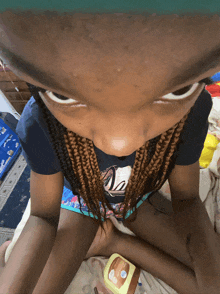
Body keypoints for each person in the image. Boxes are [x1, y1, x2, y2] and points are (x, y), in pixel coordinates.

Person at [0, 4, 220, 294]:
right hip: (78, 202)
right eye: (62, 95)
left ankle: (113, 240)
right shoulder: (40, 123)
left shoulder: (192, 111)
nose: (121, 143)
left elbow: (187, 199)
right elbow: (43, 216)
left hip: (139, 199)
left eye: (176, 91)